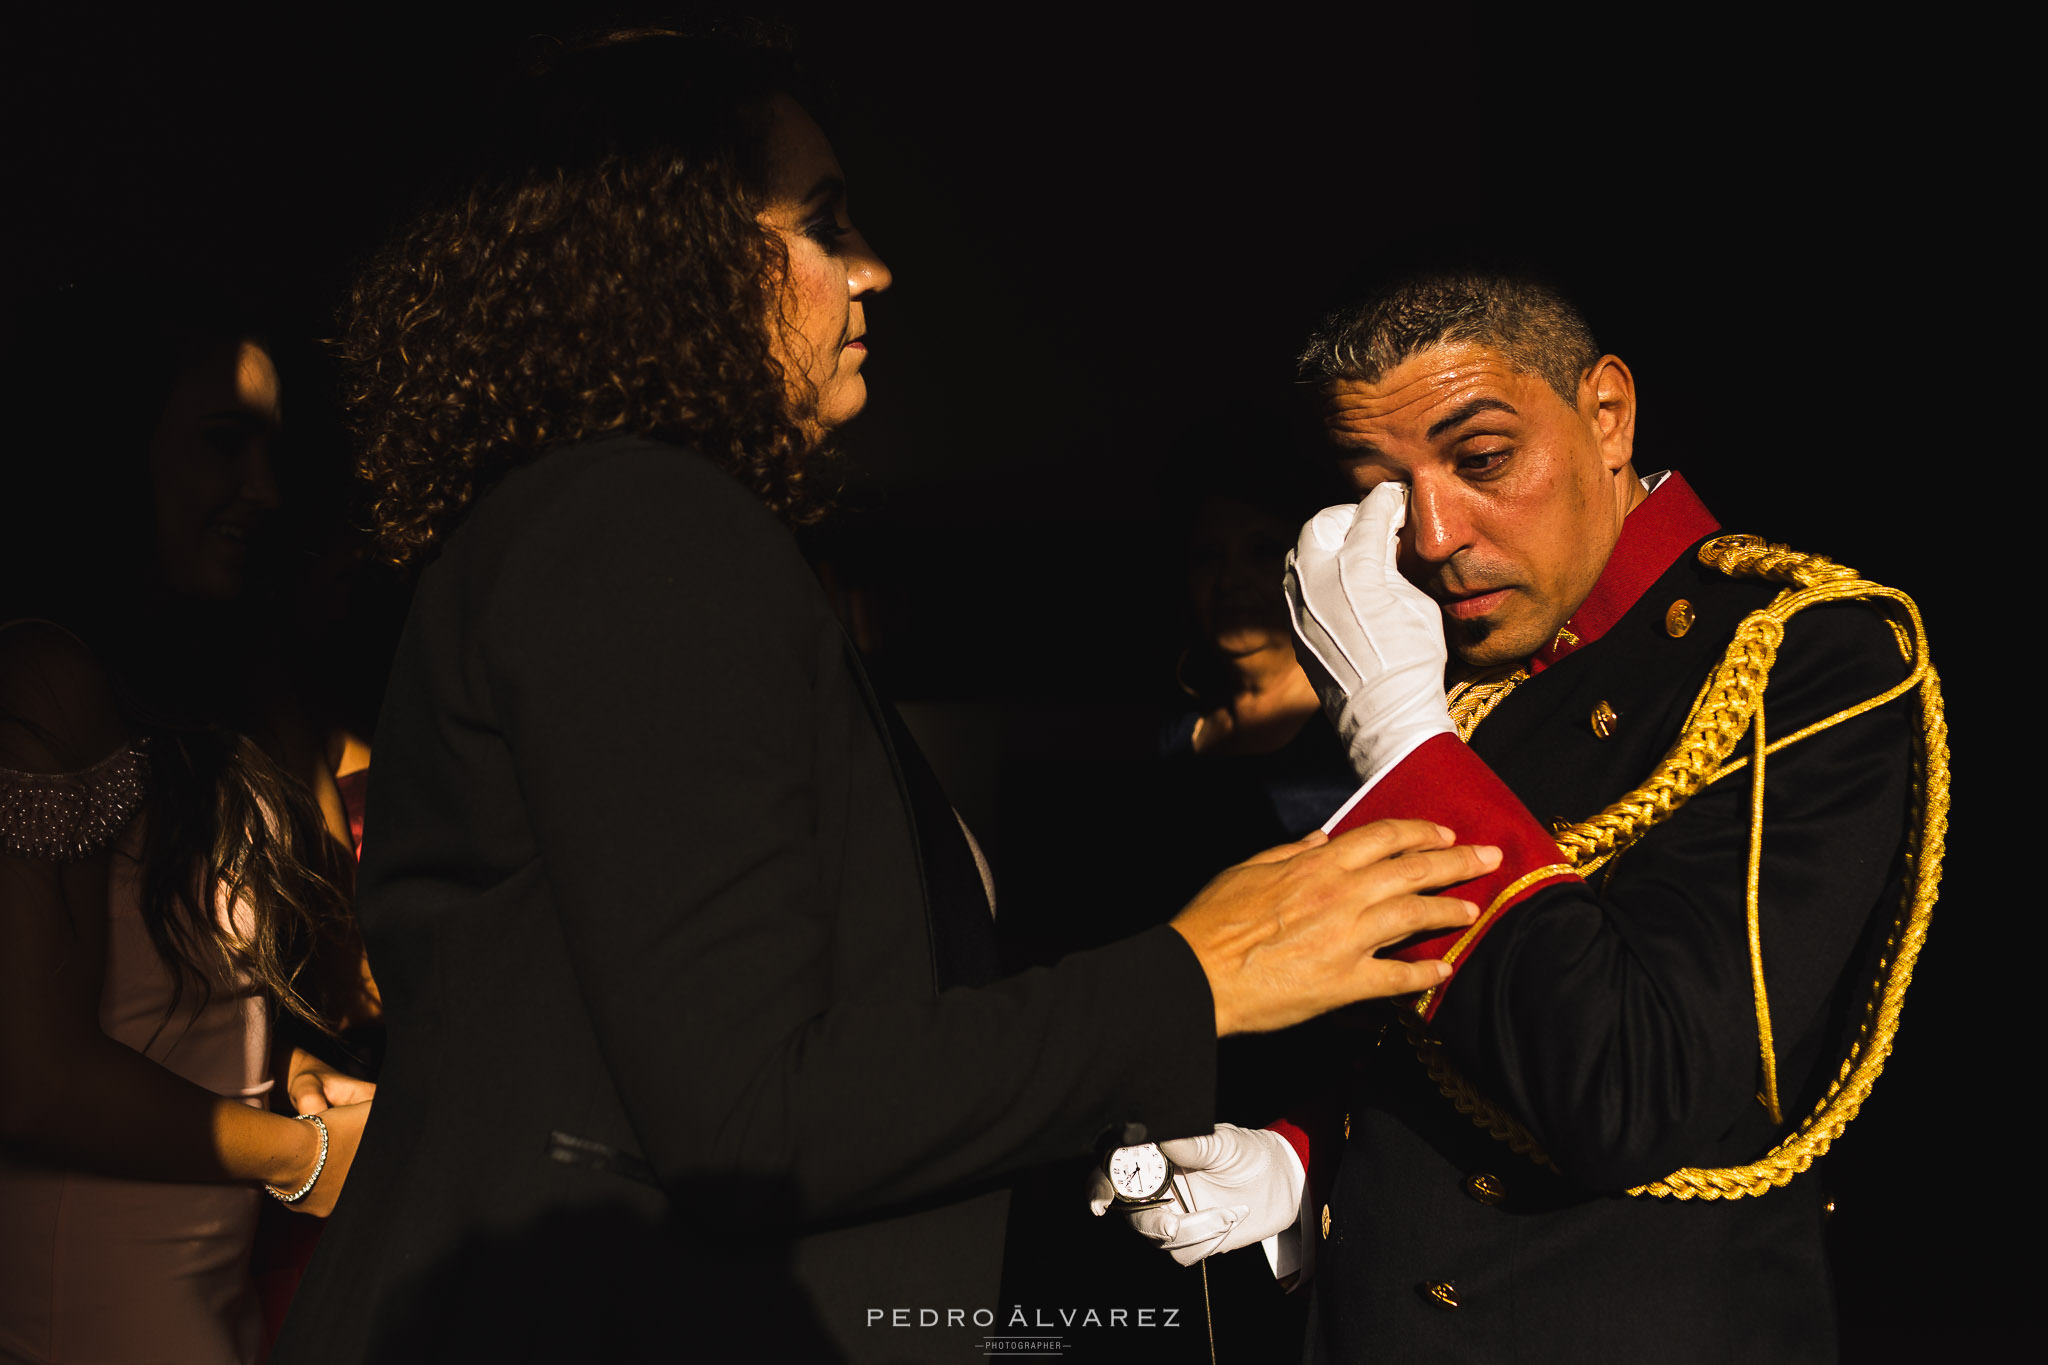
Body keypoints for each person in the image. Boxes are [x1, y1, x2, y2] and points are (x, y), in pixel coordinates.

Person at [265, 29, 1498, 1365]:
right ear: (667, 248)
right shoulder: (641, 526)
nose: (874, 272)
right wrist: (1196, 977)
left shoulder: (622, 525)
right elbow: (750, 1114)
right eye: (824, 223)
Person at [1100, 271, 1943, 1363]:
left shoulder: (1804, 650)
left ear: (1605, 418)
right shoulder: (1446, 662)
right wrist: (1304, 1159)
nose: (1436, 534)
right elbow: (1446, 1036)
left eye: (1483, 460)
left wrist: (1400, 740)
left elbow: (1638, 1089)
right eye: (1384, 493)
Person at [0, 296, 377, 1365]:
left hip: (208, 1313)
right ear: (112, 452)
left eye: (272, 451)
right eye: (224, 444)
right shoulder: (43, 676)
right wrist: (301, 1155)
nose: (263, 490)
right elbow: (27, 1074)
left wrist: (279, 1079)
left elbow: (169, 1017)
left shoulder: (185, 695)